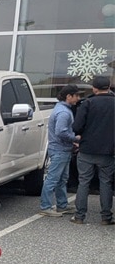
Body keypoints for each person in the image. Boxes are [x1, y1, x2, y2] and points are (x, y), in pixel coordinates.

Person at [70, 74, 115, 225]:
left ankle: (79, 216)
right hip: (108, 151)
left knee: (84, 182)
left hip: (87, 149)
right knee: (106, 182)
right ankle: (106, 217)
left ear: (94, 88)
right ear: (109, 87)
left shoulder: (87, 103)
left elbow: (76, 127)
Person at [38, 84, 82, 216]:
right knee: (53, 178)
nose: (78, 99)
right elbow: (61, 131)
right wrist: (75, 138)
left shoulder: (60, 109)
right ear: (69, 96)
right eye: (76, 96)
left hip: (60, 148)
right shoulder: (64, 112)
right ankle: (45, 206)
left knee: (62, 178)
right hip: (60, 149)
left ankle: (62, 205)